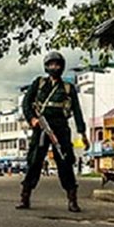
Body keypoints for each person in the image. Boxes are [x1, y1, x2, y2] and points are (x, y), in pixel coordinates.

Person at [16, 51, 90, 212]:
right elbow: (26, 103)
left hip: (60, 128)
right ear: (46, 67)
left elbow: (77, 111)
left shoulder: (68, 88)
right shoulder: (39, 83)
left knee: (65, 162)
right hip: (41, 127)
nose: (54, 67)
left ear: (62, 67)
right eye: (51, 64)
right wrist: (32, 120)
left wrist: (83, 134)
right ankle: (25, 196)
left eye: (57, 64)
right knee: (34, 161)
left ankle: (72, 199)